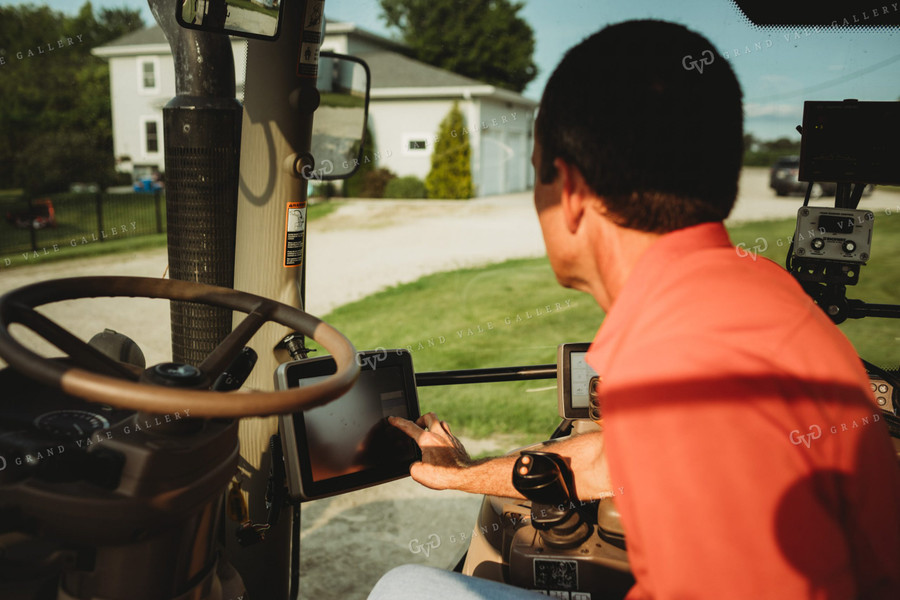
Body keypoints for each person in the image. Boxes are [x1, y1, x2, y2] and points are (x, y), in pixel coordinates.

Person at [369, 19, 900, 600]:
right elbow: (605, 459)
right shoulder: (744, 288)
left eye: (536, 178)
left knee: (403, 588)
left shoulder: (682, 358)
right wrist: (460, 476)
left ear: (569, 193)